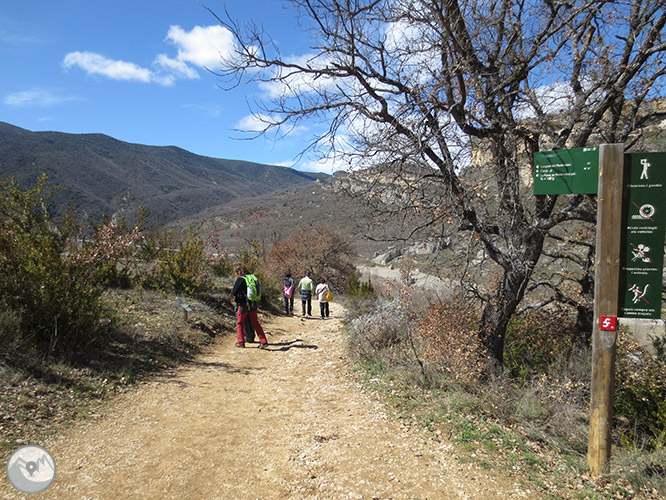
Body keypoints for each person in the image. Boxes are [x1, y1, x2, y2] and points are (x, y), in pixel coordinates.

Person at [231, 262, 268, 348]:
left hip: (243, 304)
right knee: (255, 322)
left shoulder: (241, 279)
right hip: (253, 303)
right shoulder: (252, 277)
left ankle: (241, 342)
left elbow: (234, 292)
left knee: (240, 323)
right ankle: (263, 341)